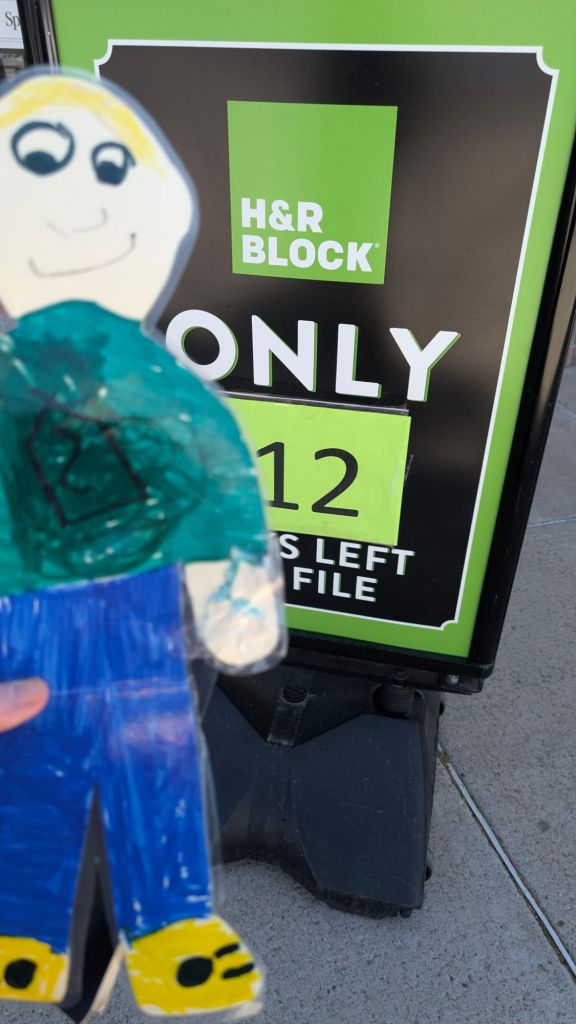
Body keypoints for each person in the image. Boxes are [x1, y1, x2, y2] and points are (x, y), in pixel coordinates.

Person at [0, 69, 284, 1016]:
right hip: (29, 609)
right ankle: (28, 926)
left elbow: (214, 473)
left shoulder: (161, 383)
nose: (79, 205)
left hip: (137, 612)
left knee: (151, 763)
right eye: (40, 166)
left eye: (109, 170)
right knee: (38, 766)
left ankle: (168, 929)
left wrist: (233, 586)